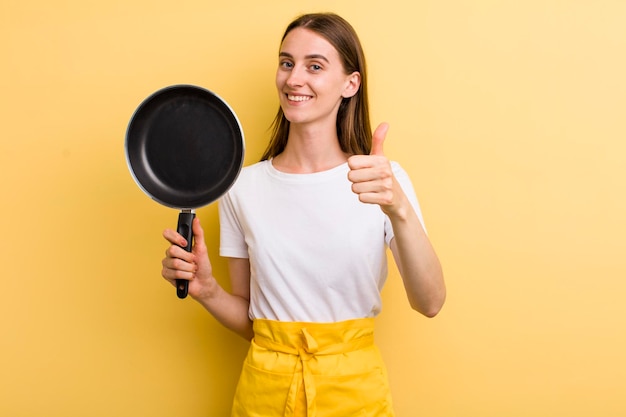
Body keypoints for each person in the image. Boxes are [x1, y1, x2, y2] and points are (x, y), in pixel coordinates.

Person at [161, 12, 445, 417]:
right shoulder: (241, 187)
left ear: (351, 83)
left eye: (315, 66)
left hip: (354, 394)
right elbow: (251, 320)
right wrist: (206, 289)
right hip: (264, 393)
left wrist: (398, 207)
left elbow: (430, 302)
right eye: (286, 62)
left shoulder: (382, 181)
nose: (294, 79)